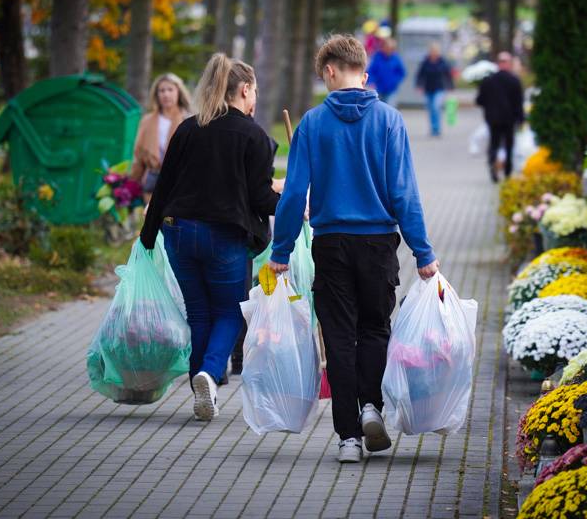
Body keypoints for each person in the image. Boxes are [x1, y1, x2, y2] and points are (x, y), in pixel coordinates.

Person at [267, 35, 439, 463]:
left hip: (331, 244)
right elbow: (404, 194)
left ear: (329, 71)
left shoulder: (311, 123)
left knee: (340, 336)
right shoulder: (390, 120)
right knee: (376, 329)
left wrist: (281, 250)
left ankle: (347, 438)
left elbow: (292, 195)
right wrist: (423, 252)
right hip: (379, 244)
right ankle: (370, 407)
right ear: (360, 70)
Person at [139, 54, 284, 421]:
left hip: (179, 232)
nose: (256, 99)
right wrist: (292, 199)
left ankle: (201, 385)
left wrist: (146, 238)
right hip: (225, 236)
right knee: (230, 312)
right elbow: (260, 199)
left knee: (200, 312)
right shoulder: (255, 137)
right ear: (245, 89)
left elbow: (165, 185)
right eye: (255, 92)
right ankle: (209, 373)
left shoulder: (188, 128)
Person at [131, 73, 193, 203]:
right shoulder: (147, 121)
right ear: (157, 95)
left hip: (178, 182)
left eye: (170, 89)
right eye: (162, 90)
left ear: (178, 92)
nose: (166, 94)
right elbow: (138, 155)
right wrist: (131, 185)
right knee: (150, 220)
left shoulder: (188, 120)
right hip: (151, 181)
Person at [475, 51, 524, 182]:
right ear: (509, 64)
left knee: (494, 144)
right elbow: (519, 103)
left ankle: (493, 167)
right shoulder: (514, 81)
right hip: (509, 120)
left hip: (493, 119)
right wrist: (521, 120)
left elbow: (479, 100)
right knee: (509, 145)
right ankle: (507, 171)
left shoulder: (488, 80)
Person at [415, 43, 453, 137]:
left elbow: (448, 75)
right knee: (430, 109)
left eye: (435, 51)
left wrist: (451, 86)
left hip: (439, 88)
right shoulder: (425, 61)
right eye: (432, 51)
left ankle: (437, 128)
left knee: (436, 107)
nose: (434, 53)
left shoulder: (442, 61)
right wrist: (419, 85)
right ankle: (432, 129)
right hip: (428, 88)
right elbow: (420, 74)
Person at [366, 37, 407, 107]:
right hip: (379, 87)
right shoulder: (377, 57)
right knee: (380, 108)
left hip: (391, 89)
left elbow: (402, 73)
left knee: (390, 107)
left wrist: (395, 81)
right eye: (387, 47)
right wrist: (371, 81)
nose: (388, 50)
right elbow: (371, 71)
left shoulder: (396, 58)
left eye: (391, 48)